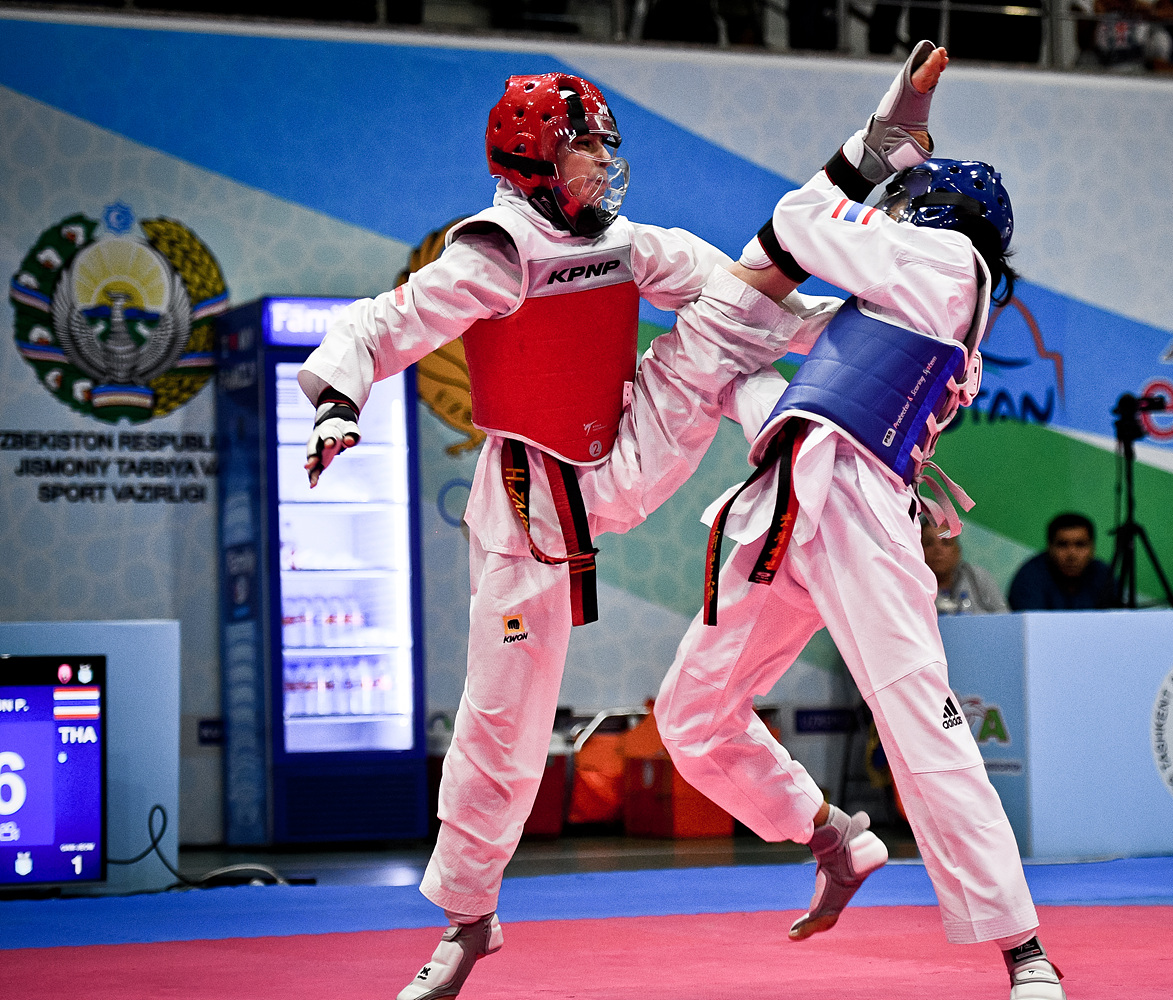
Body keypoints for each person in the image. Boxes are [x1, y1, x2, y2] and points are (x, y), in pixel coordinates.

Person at [299, 72, 828, 1000]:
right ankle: (468, 923)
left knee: (720, 330)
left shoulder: (624, 243)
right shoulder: (492, 254)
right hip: (528, 512)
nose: (605, 163)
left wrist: (822, 329)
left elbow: (724, 289)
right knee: (501, 726)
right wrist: (337, 403)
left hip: (622, 461)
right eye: (587, 148)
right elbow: (383, 324)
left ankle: (797, 427)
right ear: (539, 162)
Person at [652, 43, 1067, 1000]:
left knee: (920, 719)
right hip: (785, 497)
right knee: (690, 715)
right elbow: (782, 303)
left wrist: (886, 144)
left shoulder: (948, 263)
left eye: (900, 202)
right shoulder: (910, 287)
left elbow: (798, 222)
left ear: (929, 213)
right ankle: (831, 833)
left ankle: (1023, 949)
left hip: (860, 505)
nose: (886, 214)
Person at [1007, 513, 1117, 611]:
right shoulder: (1030, 577)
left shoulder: (1103, 574)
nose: (1072, 554)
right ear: (1050, 547)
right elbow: (1032, 628)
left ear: (1092, 548)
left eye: (1080, 544)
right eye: (1062, 545)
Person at [922, 516, 1008, 614]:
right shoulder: (913, 584)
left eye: (946, 543)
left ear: (958, 550)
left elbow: (1005, 617)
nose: (938, 550)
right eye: (928, 543)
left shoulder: (976, 577)